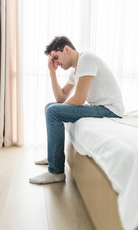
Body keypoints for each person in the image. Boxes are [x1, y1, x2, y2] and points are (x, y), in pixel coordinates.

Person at [29, 36, 125, 184]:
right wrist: (52, 73)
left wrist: (58, 110)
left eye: (56, 57)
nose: (56, 62)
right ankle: (53, 155)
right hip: (99, 107)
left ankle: (56, 172)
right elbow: (60, 98)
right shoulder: (75, 71)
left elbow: (79, 98)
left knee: (53, 111)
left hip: (110, 109)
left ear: (66, 49)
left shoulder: (86, 59)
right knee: (50, 107)